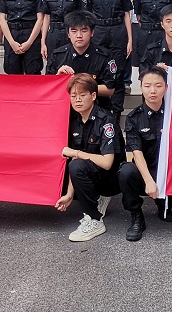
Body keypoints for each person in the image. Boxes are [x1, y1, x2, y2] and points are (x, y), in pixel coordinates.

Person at [118, 66, 172, 241]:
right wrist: (150, 182)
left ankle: (164, 202)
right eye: (147, 86)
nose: (153, 91)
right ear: (141, 87)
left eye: (158, 86)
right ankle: (136, 216)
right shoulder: (134, 117)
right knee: (126, 171)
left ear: (166, 87)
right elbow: (137, 153)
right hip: (147, 172)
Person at [55, 73, 124, 242]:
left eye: (82, 95)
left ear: (93, 96)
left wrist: (76, 153)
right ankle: (97, 200)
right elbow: (74, 161)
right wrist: (69, 195)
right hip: (93, 172)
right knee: (70, 166)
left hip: (112, 178)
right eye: (73, 96)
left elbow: (107, 163)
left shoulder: (106, 121)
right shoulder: (75, 121)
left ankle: (94, 219)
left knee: (76, 164)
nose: (77, 100)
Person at [85, 0, 132, 119]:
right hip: (98, 32)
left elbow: (126, 14)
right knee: (98, 71)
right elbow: (87, 16)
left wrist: (130, 39)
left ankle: (117, 114)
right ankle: (100, 112)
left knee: (117, 72)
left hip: (117, 31)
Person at [46, 11, 118, 117]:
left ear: (92, 32)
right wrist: (59, 79)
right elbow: (49, 88)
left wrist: (79, 87)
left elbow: (110, 90)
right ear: (68, 34)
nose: (79, 35)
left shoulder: (104, 56)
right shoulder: (58, 56)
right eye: (74, 31)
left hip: (97, 110)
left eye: (84, 31)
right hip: (66, 111)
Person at [0, 0, 44, 75]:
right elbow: (2, 19)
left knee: (33, 73)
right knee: (12, 73)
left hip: (31, 33)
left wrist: (29, 42)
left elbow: (40, 18)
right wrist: (11, 42)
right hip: (11, 34)